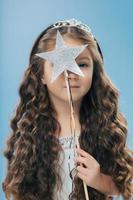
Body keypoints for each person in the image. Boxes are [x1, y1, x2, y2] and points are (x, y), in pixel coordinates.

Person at [2, 19, 133, 200]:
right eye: (57, 65)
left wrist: (99, 180)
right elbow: (19, 190)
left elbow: (124, 186)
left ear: (94, 72)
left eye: (82, 65)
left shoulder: (103, 128)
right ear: (41, 75)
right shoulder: (31, 133)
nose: (69, 74)